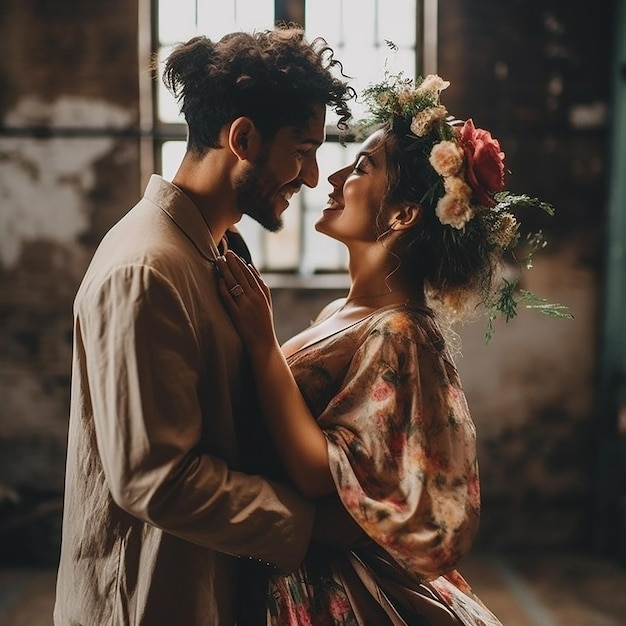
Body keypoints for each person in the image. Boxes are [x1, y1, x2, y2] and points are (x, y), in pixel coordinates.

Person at [217, 72, 561, 624]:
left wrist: (261, 343)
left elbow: (314, 474)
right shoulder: (343, 313)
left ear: (402, 214)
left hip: (337, 589)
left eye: (361, 168)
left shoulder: (397, 332)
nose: (329, 177)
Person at [54, 26, 356, 626]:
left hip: (208, 584)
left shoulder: (216, 250)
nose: (314, 177)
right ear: (242, 137)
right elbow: (157, 480)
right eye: (301, 149)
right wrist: (313, 524)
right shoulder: (148, 269)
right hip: (148, 601)